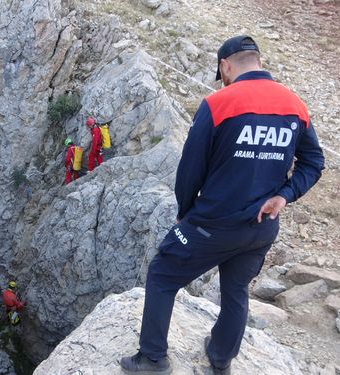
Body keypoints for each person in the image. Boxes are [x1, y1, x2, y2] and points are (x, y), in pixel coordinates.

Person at [120, 35, 325, 374]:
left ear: (225, 66)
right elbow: (313, 162)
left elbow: (190, 168)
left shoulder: (220, 103)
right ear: (257, 61)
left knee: (162, 274)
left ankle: (152, 358)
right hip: (262, 227)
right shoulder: (294, 105)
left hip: (213, 224)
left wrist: (186, 214)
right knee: (235, 289)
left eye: (222, 72)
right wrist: (284, 195)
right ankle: (220, 359)